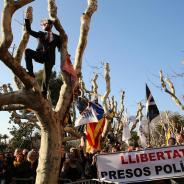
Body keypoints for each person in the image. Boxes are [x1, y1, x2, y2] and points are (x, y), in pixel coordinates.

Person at [24, 17, 61, 98]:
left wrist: (66, 55)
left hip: (50, 59)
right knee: (27, 51)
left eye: (45, 24)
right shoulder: (40, 33)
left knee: (46, 78)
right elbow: (29, 30)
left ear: (50, 25)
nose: (43, 26)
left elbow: (60, 48)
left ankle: (43, 94)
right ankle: (30, 72)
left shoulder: (57, 37)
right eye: (42, 25)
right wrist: (27, 19)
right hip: (40, 55)